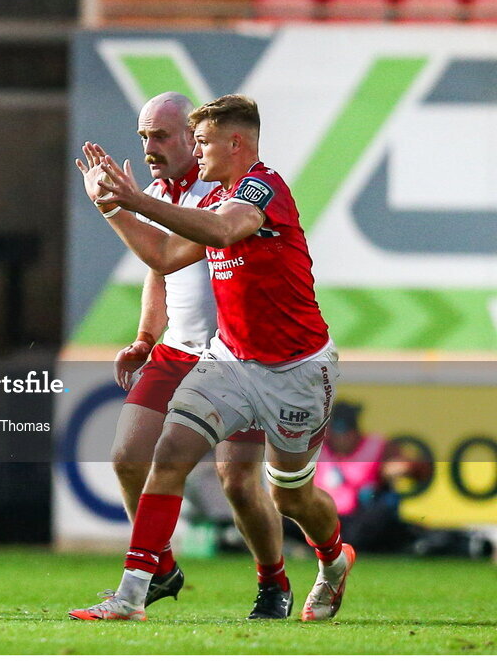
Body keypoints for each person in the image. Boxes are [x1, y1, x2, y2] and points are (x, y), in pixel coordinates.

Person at [69, 94, 351, 623]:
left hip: (296, 369)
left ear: (235, 143)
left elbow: (224, 231)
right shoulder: (215, 198)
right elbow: (165, 258)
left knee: (288, 496)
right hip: (229, 360)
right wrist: (113, 206)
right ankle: (131, 596)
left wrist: (133, 200)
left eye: (201, 142)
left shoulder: (261, 187)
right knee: (168, 454)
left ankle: (333, 561)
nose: (197, 153)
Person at [314, 401, 426, 553]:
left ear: (355, 431)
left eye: (347, 432)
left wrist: (405, 467)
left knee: (380, 516)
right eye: (337, 432)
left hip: (361, 517)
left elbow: (422, 471)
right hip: (322, 518)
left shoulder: (376, 447)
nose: (342, 438)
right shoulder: (315, 448)